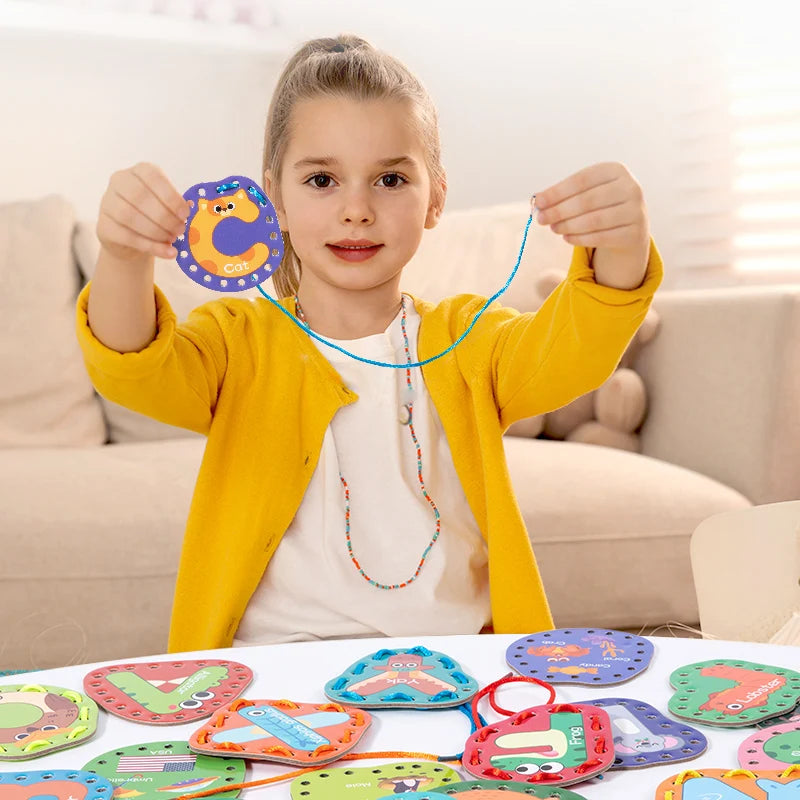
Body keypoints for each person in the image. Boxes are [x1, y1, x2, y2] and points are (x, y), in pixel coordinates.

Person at [77, 34, 662, 653]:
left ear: (435, 197)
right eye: (323, 179)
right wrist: (120, 257)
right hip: (275, 672)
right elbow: (131, 366)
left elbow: (575, 353)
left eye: (388, 178)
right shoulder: (237, 343)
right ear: (272, 196)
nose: (356, 209)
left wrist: (622, 245)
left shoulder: (468, 340)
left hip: (458, 665)